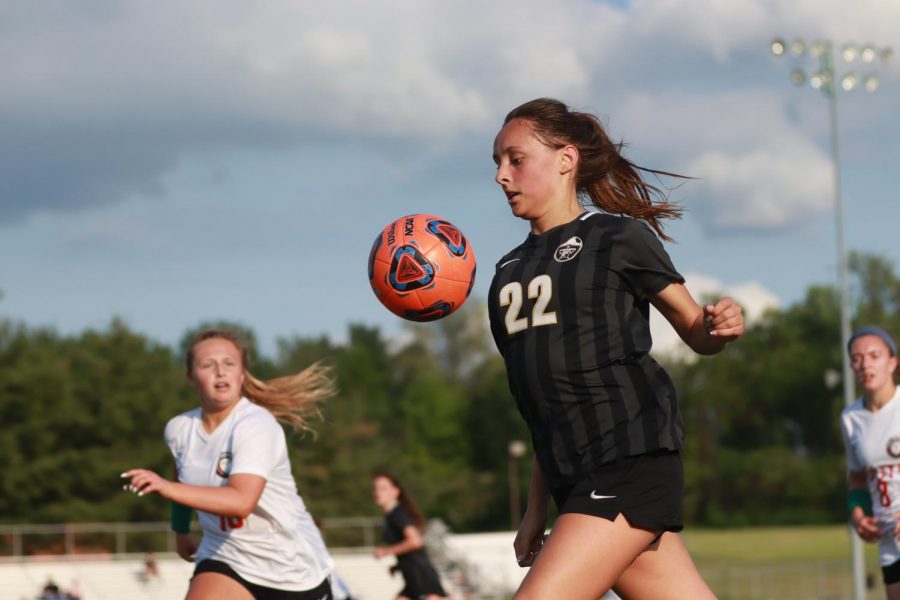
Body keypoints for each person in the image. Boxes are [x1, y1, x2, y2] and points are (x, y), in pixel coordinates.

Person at [487, 98, 744, 599]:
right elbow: (544, 406)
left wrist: (719, 327)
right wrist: (536, 509)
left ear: (566, 159)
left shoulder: (616, 237)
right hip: (574, 479)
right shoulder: (506, 274)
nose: (502, 175)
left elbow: (695, 328)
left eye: (515, 159)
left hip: (629, 460)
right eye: (497, 162)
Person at [121, 328, 337, 600]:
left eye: (229, 363)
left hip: (290, 568)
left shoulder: (255, 425)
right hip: (225, 555)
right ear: (191, 377)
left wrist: (165, 487)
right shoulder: (179, 429)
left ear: (242, 374)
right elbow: (181, 478)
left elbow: (241, 501)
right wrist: (181, 530)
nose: (220, 371)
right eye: (207, 365)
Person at [840, 325, 900, 599]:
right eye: (857, 358)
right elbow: (858, 478)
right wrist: (858, 514)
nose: (865, 364)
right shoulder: (850, 418)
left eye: (874, 355)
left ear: (893, 362)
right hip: (890, 541)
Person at [372, 472, 448, 600]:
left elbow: (415, 541)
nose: (377, 492)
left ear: (396, 492)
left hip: (421, 578)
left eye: (383, 488)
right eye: (375, 488)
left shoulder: (397, 514)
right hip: (412, 578)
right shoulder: (391, 516)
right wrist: (398, 565)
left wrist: (386, 551)